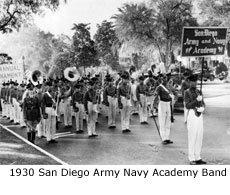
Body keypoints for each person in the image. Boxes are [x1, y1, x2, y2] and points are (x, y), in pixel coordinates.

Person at [184, 74, 206, 165]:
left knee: (199, 136)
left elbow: (203, 103)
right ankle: (191, 158)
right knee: (192, 136)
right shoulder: (187, 92)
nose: (195, 83)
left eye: (196, 81)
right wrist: (196, 100)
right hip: (192, 114)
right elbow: (188, 105)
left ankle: (198, 157)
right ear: (189, 82)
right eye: (193, 81)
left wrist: (203, 108)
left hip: (199, 115)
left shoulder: (199, 91)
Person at [155, 74, 174, 144]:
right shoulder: (159, 87)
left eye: (165, 78)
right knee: (162, 121)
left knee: (168, 121)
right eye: (163, 79)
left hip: (168, 103)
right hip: (162, 103)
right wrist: (153, 105)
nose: (165, 80)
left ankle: (167, 137)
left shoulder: (169, 86)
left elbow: (173, 93)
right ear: (161, 79)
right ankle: (163, 138)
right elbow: (155, 96)